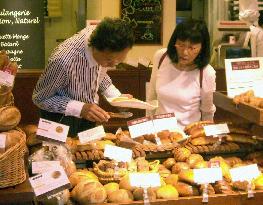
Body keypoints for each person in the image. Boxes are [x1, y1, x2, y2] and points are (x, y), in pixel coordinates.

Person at [32, 17, 134, 136]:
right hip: (58, 121)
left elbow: (99, 72)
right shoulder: (62, 61)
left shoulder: (102, 36)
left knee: (88, 153)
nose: (112, 66)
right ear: (95, 47)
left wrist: (116, 97)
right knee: (58, 155)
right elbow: (40, 98)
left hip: (88, 117)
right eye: (109, 60)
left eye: (118, 61)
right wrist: (80, 108)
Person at [147, 19, 216, 129]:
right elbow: (151, 97)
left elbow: (207, 112)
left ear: (202, 48)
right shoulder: (161, 57)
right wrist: (148, 130)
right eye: (181, 45)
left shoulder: (206, 72)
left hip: (187, 138)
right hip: (159, 135)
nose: (185, 52)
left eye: (192, 48)